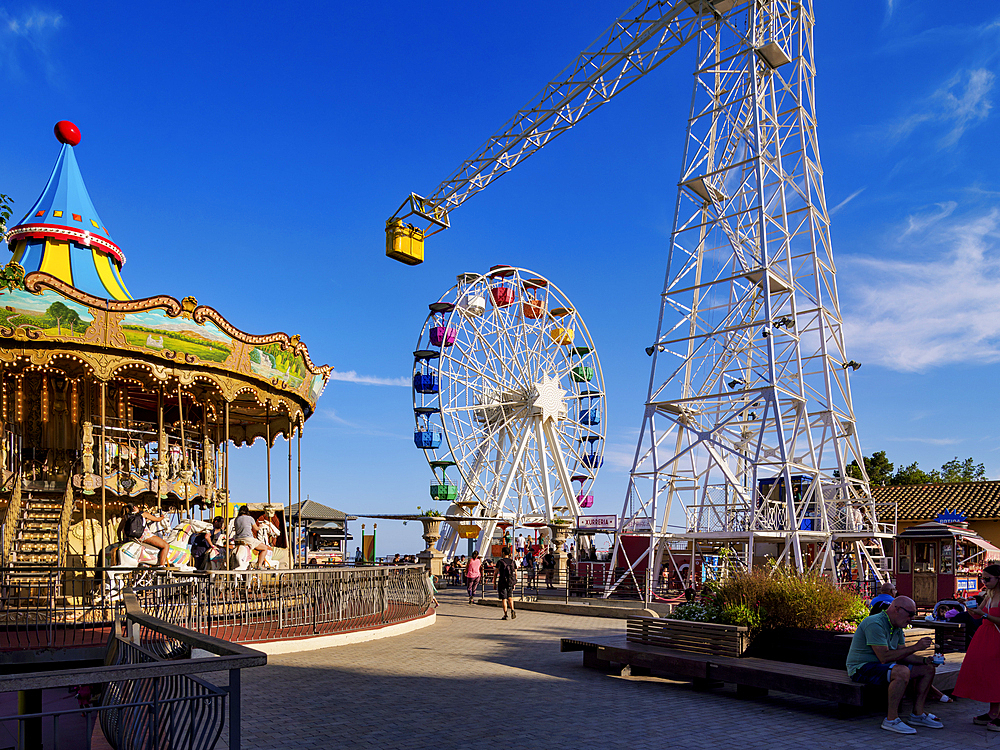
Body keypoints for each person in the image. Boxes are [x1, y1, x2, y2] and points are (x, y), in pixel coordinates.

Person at [846, 596, 943, 734]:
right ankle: (891, 719)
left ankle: (917, 714)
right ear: (897, 609)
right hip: (861, 668)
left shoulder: (896, 626)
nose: (911, 618)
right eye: (910, 614)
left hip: (882, 667)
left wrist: (925, 660)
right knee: (901, 672)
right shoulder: (875, 623)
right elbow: (884, 657)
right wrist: (915, 647)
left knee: (927, 669)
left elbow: (903, 654)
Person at [953, 563, 1000, 730]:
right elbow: (977, 616)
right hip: (986, 636)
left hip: (996, 637)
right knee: (990, 674)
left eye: (987, 579)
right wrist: (967, 605)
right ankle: (993, 711)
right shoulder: (989, 594)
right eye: (983, 578)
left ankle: (997, 713)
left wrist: (984, 614)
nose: (984, 582)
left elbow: (986, 616)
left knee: (997, 674)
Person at [118, 503, 170, 568]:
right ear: (134, 507)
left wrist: (120, 540)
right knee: (166, 545)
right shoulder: (143, 514)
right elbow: (157, 519)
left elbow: (119, 530)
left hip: (133, 539)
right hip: (145, 536)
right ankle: (162, 565)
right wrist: (162, 517)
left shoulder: (126, 517)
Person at [495, 546, 517, 620]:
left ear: (503, 553)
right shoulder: (512, 562)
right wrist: (514, 583)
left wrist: (494, 583)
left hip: (502, 582)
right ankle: (513, 609)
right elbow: (515, 573)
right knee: (510, 597)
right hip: (510, 582)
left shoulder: (500, 562)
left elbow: (495, 573)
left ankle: (505, 614)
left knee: (504, 599)